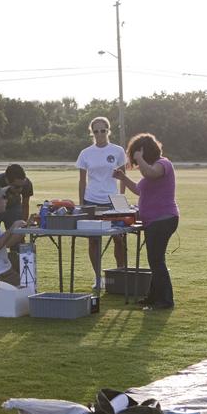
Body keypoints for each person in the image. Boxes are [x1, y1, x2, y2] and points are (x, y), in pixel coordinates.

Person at [113, 133, 179, 311]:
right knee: (154, 260)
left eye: (137, 154)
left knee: (157, 260)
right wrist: (123, 178)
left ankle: (165, 300)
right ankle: (153, 297)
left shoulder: (163, 164)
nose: (135, 159)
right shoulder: (149, 170)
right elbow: (138, 190)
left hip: (163, 219)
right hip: (153, 221)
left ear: (144, 152)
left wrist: (140, 159)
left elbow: (150, 173)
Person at [76, 116, 128, 289]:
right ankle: (98, 278)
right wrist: (82, 203)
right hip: (92, 200)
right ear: (92, 132)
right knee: (93, 241)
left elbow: (123, 178)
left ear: (108, 131)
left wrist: (121, 199)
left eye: (103, 130)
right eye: (96, 131)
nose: (99, 134)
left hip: (112, 201)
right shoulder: (85, 153)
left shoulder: (118, 150)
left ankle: (120, 274)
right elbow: (82, 181)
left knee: (119, 238)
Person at [0, 163, 33, 230]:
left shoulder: (27, 183)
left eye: (22, 186)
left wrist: (23, 224)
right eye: (17, 187)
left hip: (14, 207)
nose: (21, 189)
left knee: (17, 234)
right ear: (7, 180)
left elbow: (25, 205)